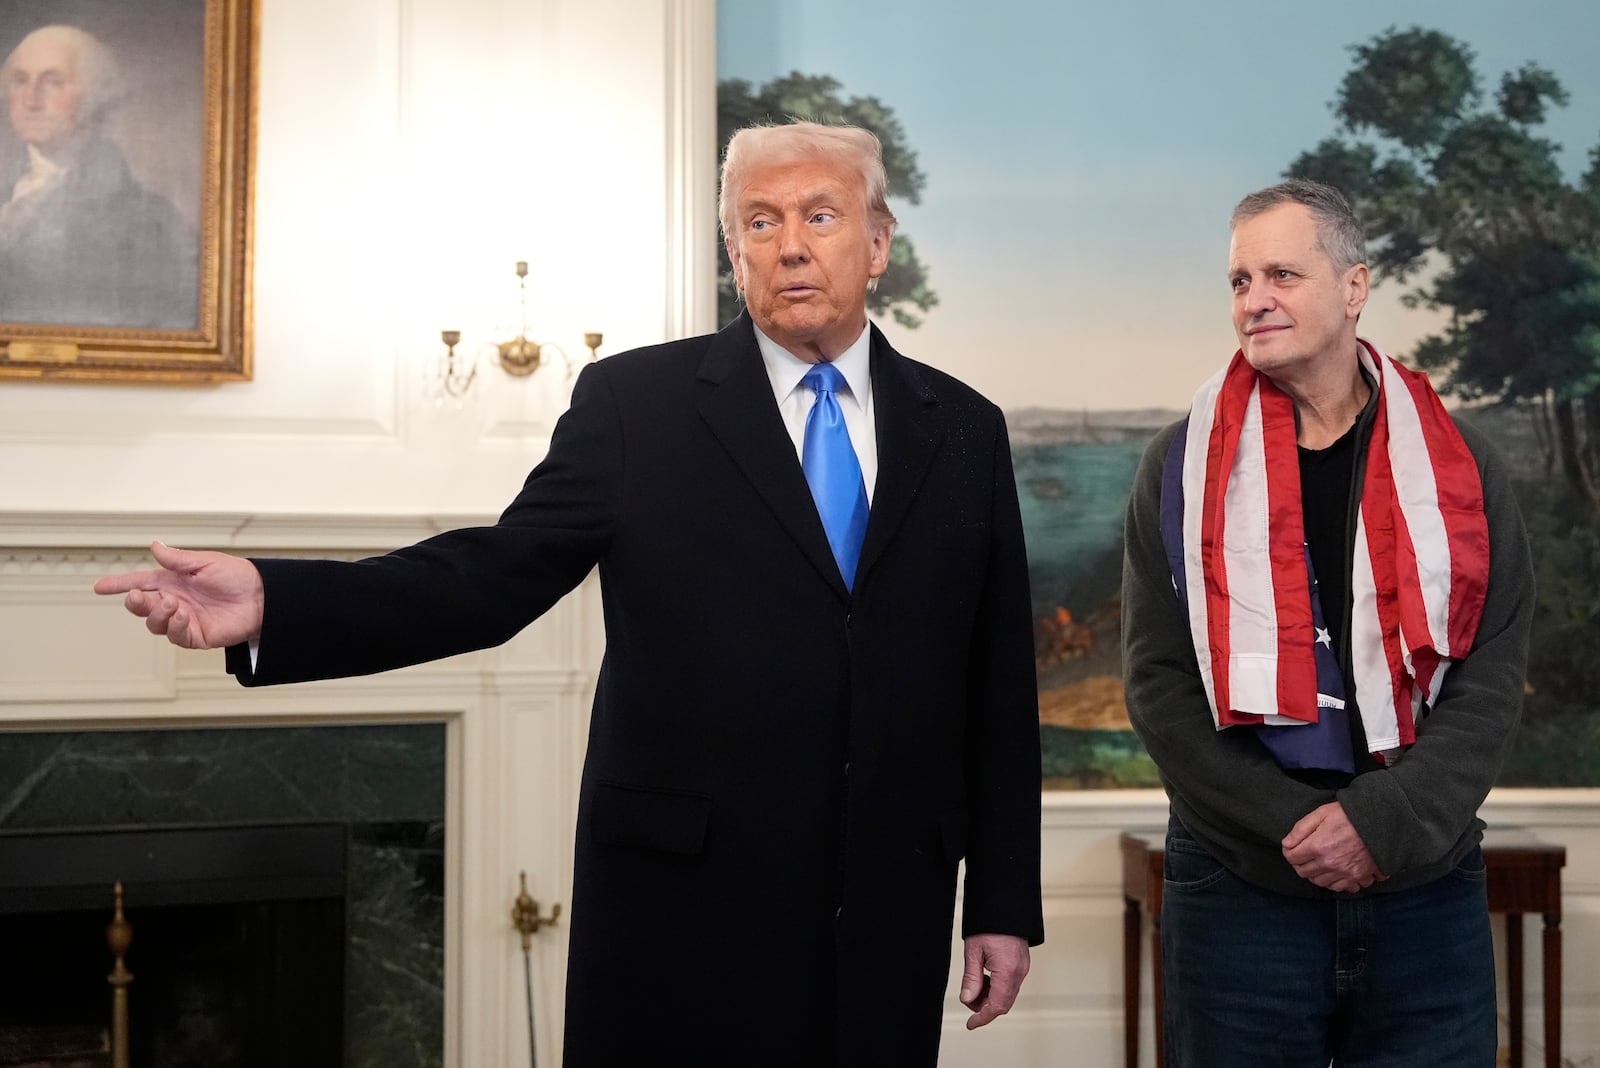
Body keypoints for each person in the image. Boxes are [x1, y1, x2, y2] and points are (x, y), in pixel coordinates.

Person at [95, 121, 1044, 1065]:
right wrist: (274, 601)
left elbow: (996, 688)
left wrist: (1002, 904)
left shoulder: (963, 429)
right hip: (681, 921)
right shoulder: (637, 407)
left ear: (876, 243)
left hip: (887, 921)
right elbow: (487, 581)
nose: (789, 242)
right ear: (733, 254)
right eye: (759, 222)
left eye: (819, 214)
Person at [1121, 177, 1534, 1067]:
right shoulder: (1179, 466)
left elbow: (1492, 675)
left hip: (1426, 889)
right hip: (1239, 890)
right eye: (1239, 281)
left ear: (1354, 288)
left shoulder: (1462, 467)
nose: (1254, 300)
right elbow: (1158, 685)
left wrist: (1382, 823)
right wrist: (1297, 827)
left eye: (1281, 273)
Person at [0, 24, 197, 329]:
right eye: (20, 81)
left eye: (53, 82)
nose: (31, 100)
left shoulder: (150, 222)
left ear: (95, 96)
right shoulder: (7, 186)